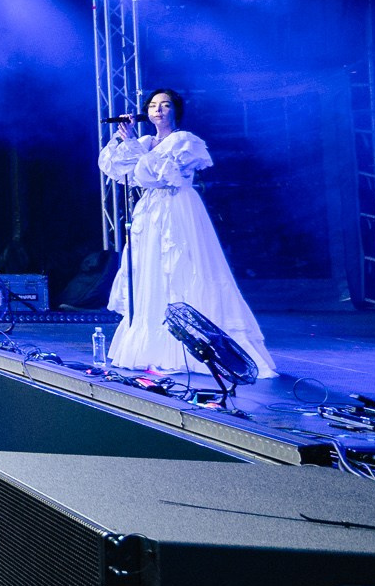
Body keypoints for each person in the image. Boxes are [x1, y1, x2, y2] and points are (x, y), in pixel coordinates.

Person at [100, 86, 277, 378]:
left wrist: (133, 147)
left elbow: (157, 174)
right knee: (151, 275)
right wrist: (125, 141)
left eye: (165, 105)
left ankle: (199, 346)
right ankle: (153, 349)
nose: (158, 110)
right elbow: (121, 171)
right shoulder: (145, 142)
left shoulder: (184, 142)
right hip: (150, 212)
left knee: (183, 268)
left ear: (175, 111)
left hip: (177, 208)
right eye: (153, 105)